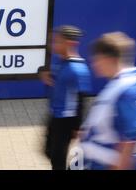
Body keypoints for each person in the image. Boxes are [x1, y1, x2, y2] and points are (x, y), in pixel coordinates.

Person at [78, 32, 136, 170]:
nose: (94, 65)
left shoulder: (127, 90)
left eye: (97, 59)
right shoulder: (118, 84)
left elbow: (130, 140)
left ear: (109, 59)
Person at [39, 25, 92, 170]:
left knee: (57, 158)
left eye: (58, 42)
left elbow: (82, 99)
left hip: (66, 120)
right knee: (49, 151)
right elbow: (57, 82)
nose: (54, 45)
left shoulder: (78, 69)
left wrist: (77, 126)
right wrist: (48, 79)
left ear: (71, 43)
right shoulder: (60, 62)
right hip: (54, 115)